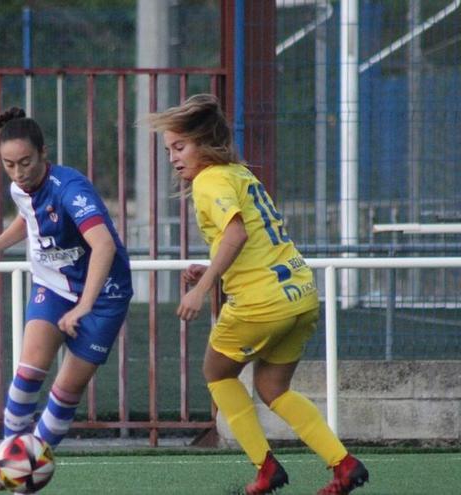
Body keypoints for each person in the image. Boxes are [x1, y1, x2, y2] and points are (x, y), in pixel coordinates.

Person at [149, 94, 369, 495]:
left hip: (261, 302)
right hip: (300, 293)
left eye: (179, 147)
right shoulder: (240, 173)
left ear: (205, 142)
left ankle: (266, 469)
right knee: (273, 389)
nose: (173, 158)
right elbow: (249, 239)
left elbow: (237, 233)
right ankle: (344, 463)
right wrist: (214, 267)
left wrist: (201, 288)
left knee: (216, 372)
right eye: (168, 150)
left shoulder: (208, 180)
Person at [0, 108, 133, 491]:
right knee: (28, 373)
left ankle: (29, 463)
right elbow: (27, 217)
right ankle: (7, 460)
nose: (18, 173)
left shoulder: (71, 189)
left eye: (25, 162)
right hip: (51, 286)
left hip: (102, 297)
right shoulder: (20, 187)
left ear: (44, 154)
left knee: (66, 391)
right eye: (8, 164)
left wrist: (84, 305)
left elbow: (104, 246)